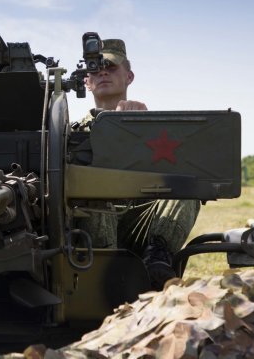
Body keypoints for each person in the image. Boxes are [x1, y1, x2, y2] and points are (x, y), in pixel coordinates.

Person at [75, 39, 200, 290]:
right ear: (86, 82)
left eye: (110, 67)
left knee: (188, 184)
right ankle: (107, 275)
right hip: (93, 230)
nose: (102, 72)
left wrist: (140, 126)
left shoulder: (153, 128)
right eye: (94, 69)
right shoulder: (69, 134)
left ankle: (157, 260)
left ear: (129, 76)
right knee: (94, 194)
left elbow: (175, 171)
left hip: (142, 224)